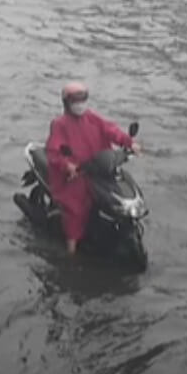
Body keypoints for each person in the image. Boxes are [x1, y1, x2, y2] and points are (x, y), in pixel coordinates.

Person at [45, 82, 140, 256]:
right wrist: (67, 165)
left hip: (98, 168)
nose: (80, 104)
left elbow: (111, 130)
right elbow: (53, 152)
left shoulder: (92, 118)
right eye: (76, 100)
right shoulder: (60, 124)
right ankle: (70, 252)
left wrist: (129, 142)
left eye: (83, 99)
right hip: (75, 176)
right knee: (76, 211)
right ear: (67, 102)